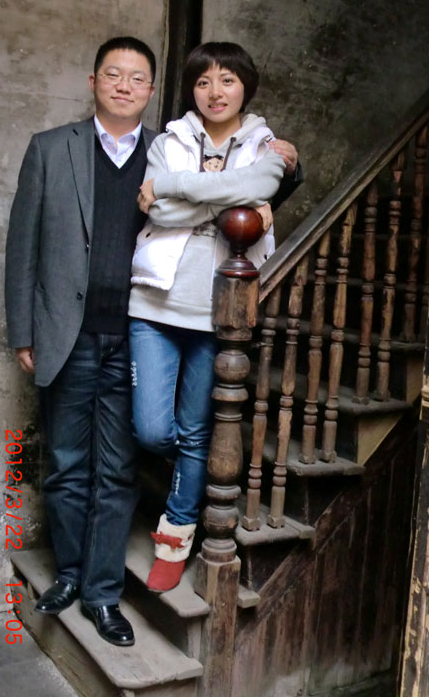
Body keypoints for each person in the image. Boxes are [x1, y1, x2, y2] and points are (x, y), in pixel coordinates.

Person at [128, 41, 301, 593]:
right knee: (154, 429)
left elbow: (258, 185)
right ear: (191, 90)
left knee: (198, 429)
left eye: (227, 80)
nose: (215, 92)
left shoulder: (266, 145)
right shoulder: (170, 140)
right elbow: (159, 213)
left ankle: (175, 534)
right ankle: (189, 466)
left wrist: (174, 185)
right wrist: (231, 199)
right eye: (203, 81)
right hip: (155, 302)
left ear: (245, 87)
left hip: (219, 309)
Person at [5, 36, 158, 646]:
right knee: (67, 466)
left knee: (117, 472)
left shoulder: (167, 155)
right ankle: (69, 574)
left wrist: (284, 162)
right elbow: (22, 246)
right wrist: (24, 331)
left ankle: (101, 594)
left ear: (150, 91)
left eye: (137, 77)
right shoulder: (50, 148)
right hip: (65, 335)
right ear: (94, 82)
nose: (124, 85)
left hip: (135, 338)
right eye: (113, 74)